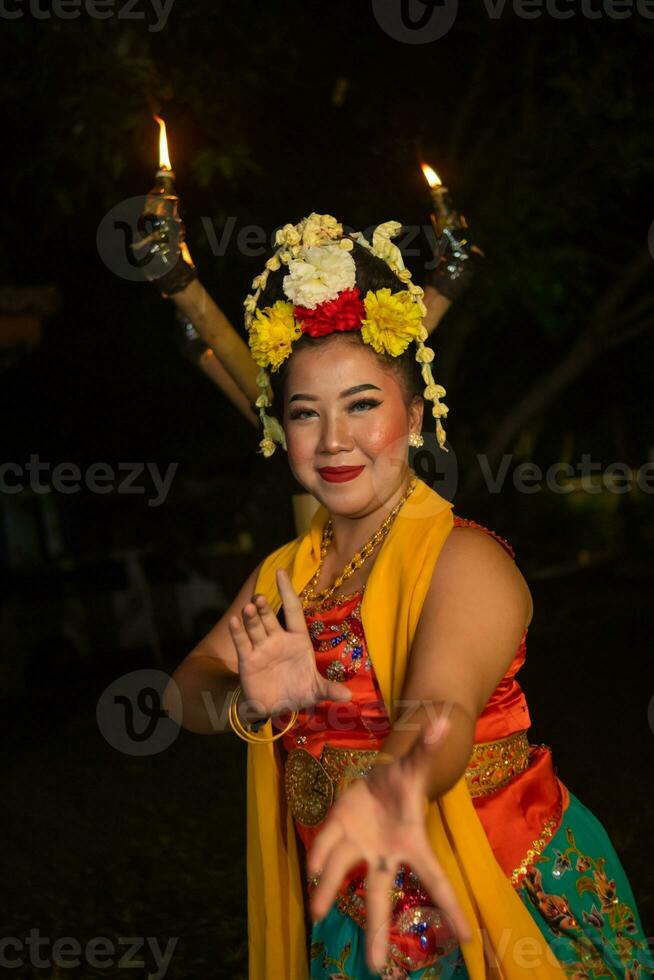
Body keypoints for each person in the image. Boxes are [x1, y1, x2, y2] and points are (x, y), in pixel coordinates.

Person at [164, 214, 652, 980]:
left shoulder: (467, 560)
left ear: (415, 417)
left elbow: (441, 712)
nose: (333, 440)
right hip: (348, 907)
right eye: (305, 414)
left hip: (492, 886)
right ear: (281, 431)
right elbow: (184, 690)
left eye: (362, 404)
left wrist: (392, 784)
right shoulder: (284, 575)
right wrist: (247, 706)